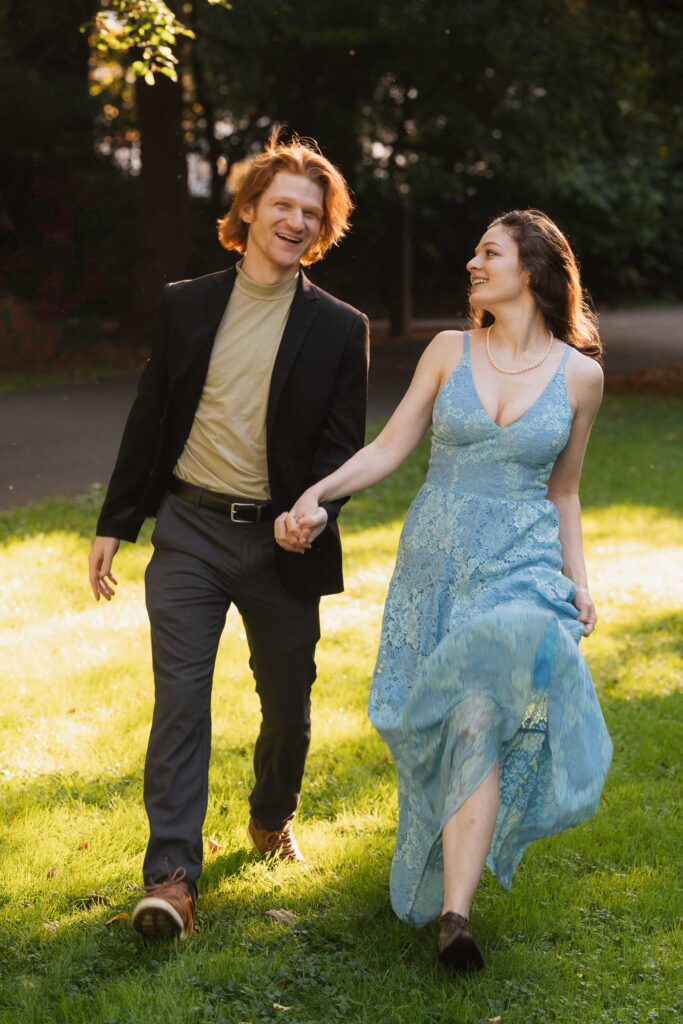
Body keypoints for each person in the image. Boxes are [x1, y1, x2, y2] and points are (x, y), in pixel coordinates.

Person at [278, 209, 613, 971]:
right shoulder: (447, 351)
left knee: (480, 714)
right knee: (455, 729)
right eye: (473, 251)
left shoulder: (580, 376)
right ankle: (447, 894)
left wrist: (579, 581)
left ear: (529, 269)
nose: (471, 262)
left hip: (522, 568)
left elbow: (564, 491)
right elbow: (390, 447)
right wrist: (317, 494)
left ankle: (456, 918)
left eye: (487, 252)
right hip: (436, 564)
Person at [87, 131, 369, 940]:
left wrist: (312, 511)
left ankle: (270, 812)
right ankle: (171, 878)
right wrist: (117, 521)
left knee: (288, 703)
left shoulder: (338, 327)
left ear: (322, 230)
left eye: (310, 213)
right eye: (281, 204)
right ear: (247, 211)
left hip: (283, 547)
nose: (294, 220)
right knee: (181, 703)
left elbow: (339, 448)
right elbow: (152, 414)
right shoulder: (186, 304)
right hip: (189, 532)